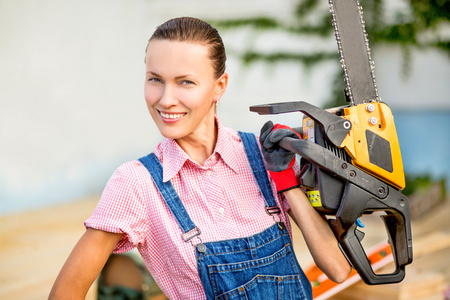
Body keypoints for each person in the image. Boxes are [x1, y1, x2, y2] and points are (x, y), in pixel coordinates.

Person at [49, 17, 351, 300]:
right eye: (155, 79)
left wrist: (286, 182)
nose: (165, 99)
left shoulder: (264, 157)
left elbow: (337, 269)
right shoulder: (136, 183)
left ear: (219, 86)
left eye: (185, 82)